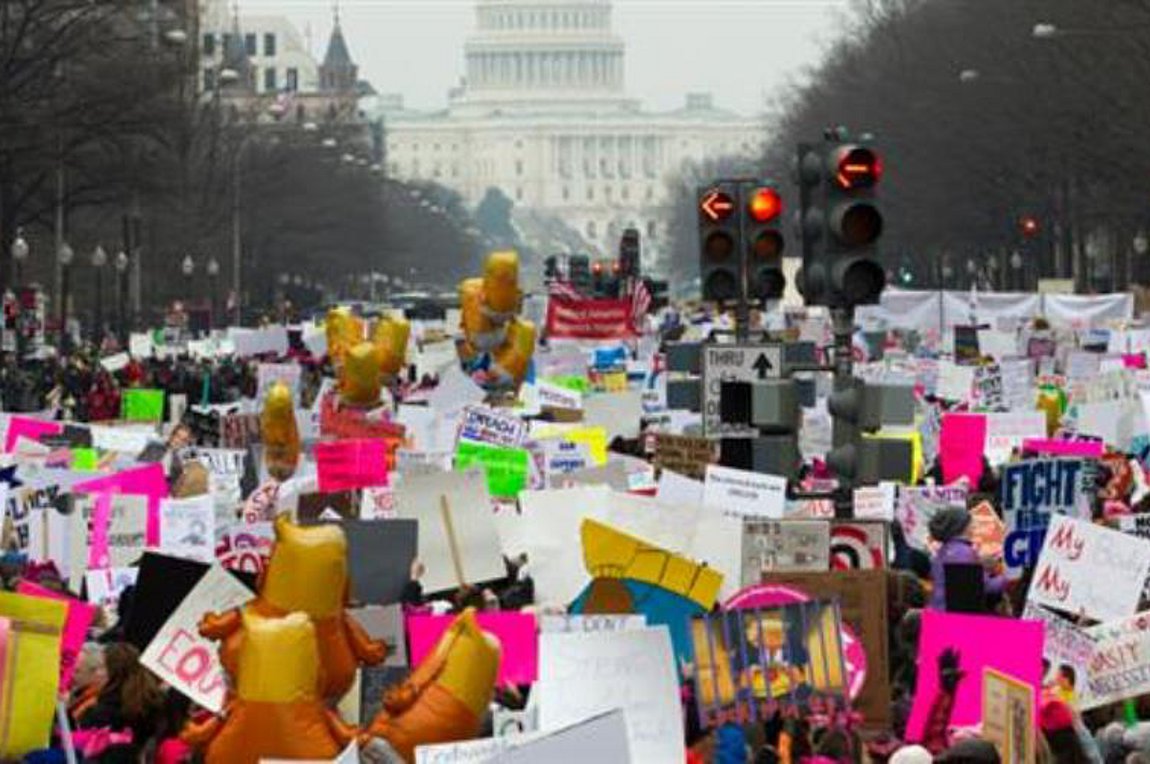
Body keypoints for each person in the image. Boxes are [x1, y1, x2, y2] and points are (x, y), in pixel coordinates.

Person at [78, 642, 166, 763]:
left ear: (114, 671)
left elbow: (79, 741)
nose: (97, 672)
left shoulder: (106, 709)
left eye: (101, 667)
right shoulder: (150, 699)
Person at [927, 507, 1006, 611]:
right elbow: (985, 587)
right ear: (962, 527)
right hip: (952, 616)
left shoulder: (945, 550)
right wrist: (1009, 578)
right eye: (971, 523)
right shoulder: (962, 553)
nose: (974, 526)